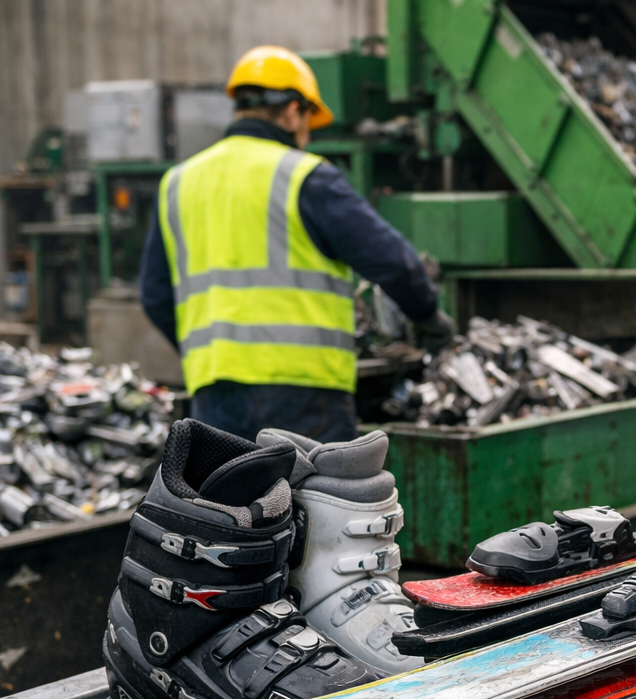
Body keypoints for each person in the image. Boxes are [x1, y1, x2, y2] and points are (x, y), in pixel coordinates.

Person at [139, 45, 455, 442]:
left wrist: (207, 355)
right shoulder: (305, 177)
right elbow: (392, 261)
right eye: (309, 119)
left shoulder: (179, 181)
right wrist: (429, 316)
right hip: (303, 395)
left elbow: (153, 295)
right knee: (314, 502)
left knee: (228, 502)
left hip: (213, 392)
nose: (307, 134)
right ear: (292, 111)